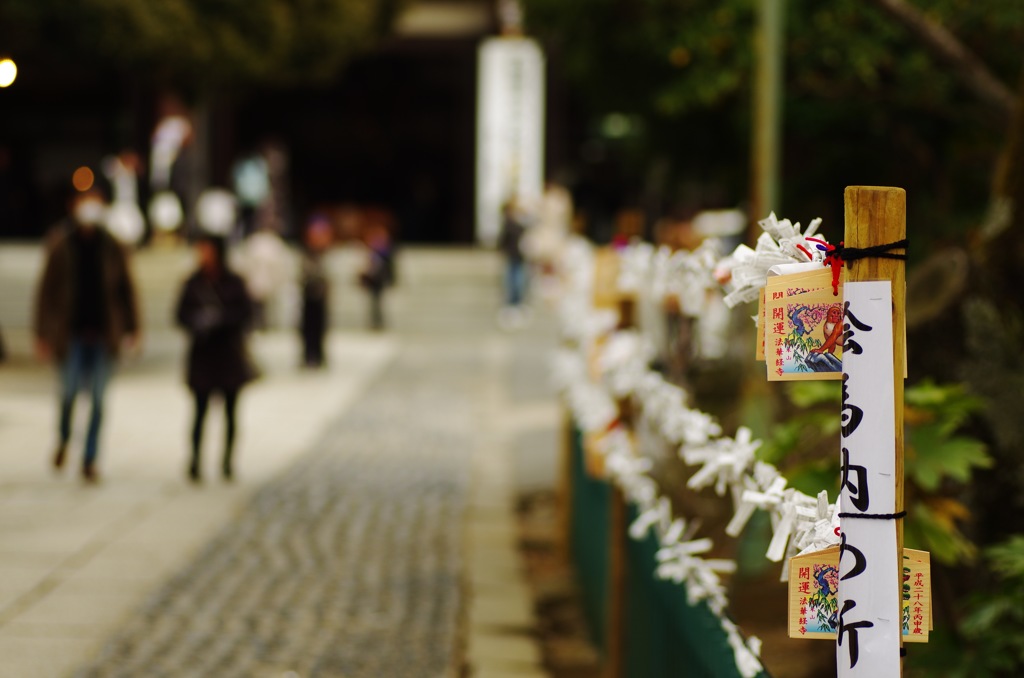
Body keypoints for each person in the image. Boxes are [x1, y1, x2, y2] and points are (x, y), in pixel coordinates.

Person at [34, 189, 141, 483]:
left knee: (98, 399)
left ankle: (90, 458)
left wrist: (133, 328)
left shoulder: (112, 245)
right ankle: (65, 437)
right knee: (68, 393)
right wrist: (42, 333)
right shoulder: (61, 243)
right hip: (71, 333)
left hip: (105, 333)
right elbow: (46, 291)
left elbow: (127, 290)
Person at [175, 235, 256, 482]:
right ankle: (195, 460)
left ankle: (227, 462)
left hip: (228, 354)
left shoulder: (234, 282)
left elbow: (246, 313)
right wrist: (198, 321)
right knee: (199, 412)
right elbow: (180, 314)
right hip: (203, 354)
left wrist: (221, 319)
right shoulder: (193, 282)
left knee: (231, 413)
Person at [298, 215, 332, 367]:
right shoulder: (306, 255)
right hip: (308, 297)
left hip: (320, 299)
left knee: (320, 329)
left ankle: (319, 355)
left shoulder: (325, 257)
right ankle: (308, 355)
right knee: (307, 329)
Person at [497, 199, 529, 328]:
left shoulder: (518, 223)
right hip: (513, 256)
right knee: (512, 280)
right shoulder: (509, 224)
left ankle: (517, 302)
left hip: (518, 256)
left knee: (518, 280)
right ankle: (512, 303)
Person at [359, 223, 394, 331]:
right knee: (373, 303)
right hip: (373, 281)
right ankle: (374, 322)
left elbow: (388, 268)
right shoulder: (372, 253)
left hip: (379, 281)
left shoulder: (384, 254)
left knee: (378, 302)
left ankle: (379, 322)